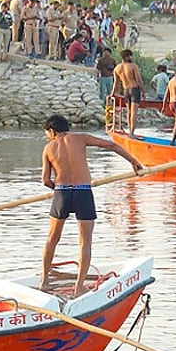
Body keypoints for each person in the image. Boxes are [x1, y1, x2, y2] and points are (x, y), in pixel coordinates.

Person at [40, 115, 143, 296]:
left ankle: (44, 281)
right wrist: (133, 161)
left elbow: (45, 180)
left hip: (62, 192)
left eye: (47, 133)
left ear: (52, 131)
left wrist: (57, 189)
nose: (47, 137)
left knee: (52, 238)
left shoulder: (49, 148)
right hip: (83, 192)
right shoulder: (81, 138)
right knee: (85, 241)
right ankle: (79, 287)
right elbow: (111, 145)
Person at [110, 49, 144, 136]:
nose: (131, 57)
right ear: (127, 57)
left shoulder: (117, 68)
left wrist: (112, 93)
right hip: (134, 89)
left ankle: (130, 131)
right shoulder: (133, 66)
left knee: (129, 112)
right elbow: (139, 80)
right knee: (134, 112)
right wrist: (143, 91)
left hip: (126, 90)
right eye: (130, 56)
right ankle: (132, 133)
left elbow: (116, 83)